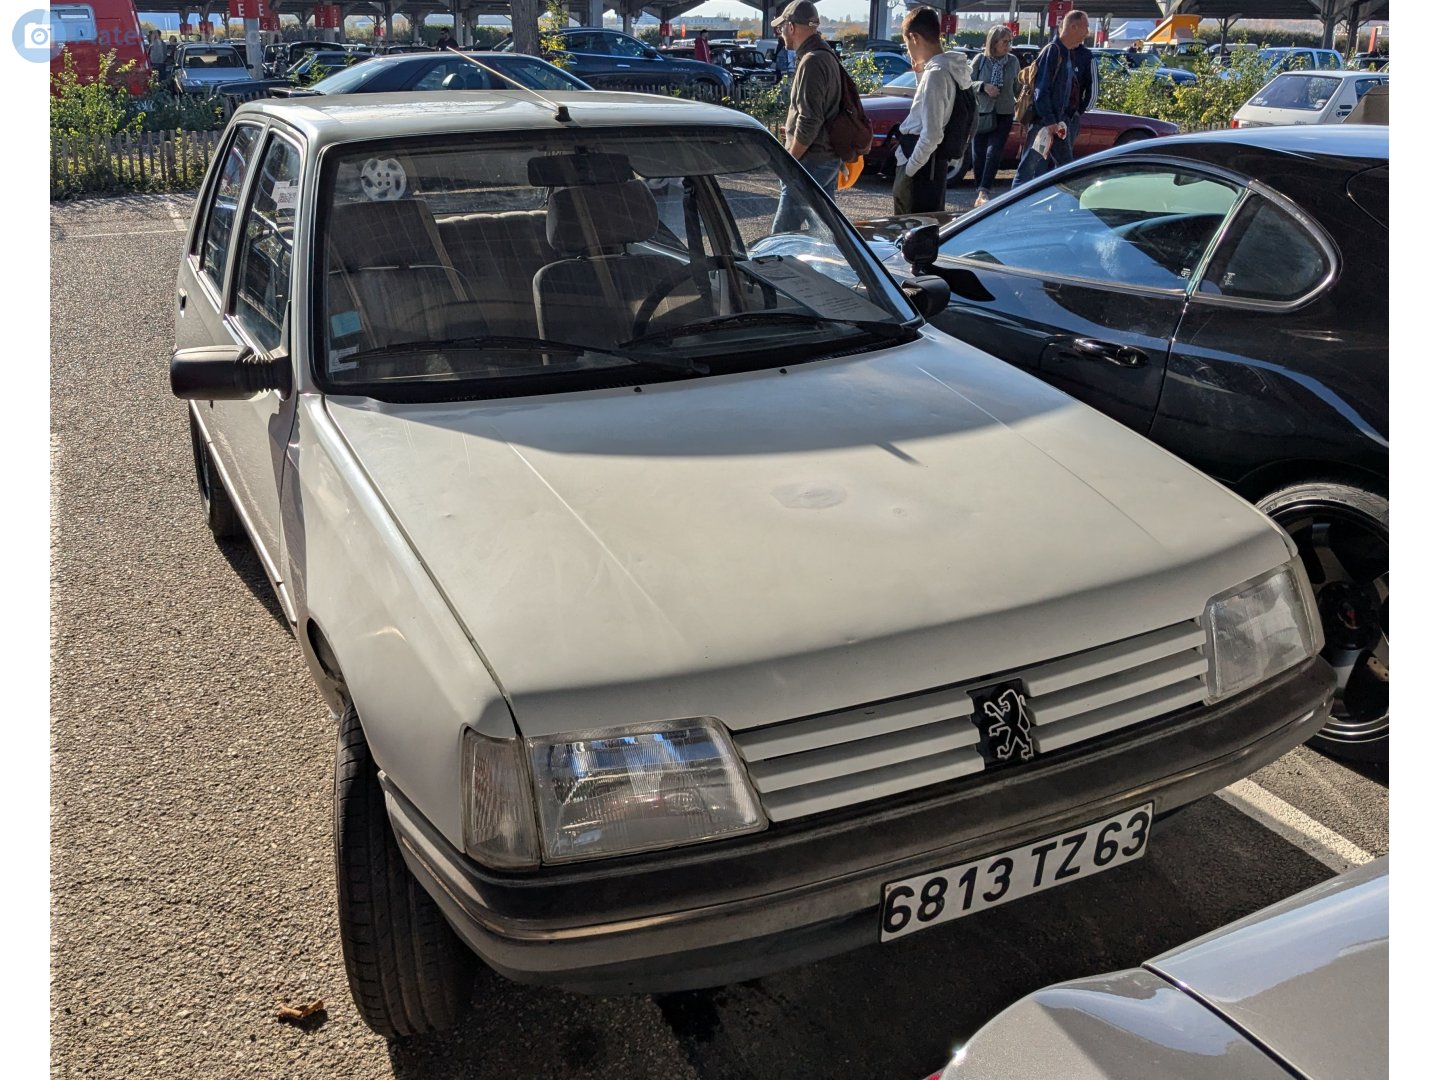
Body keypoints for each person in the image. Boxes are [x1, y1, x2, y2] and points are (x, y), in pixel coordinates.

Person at [770, 1, 844, 232]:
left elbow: (810, 120)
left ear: (791, 27)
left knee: (780, 236)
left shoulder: (812, 60)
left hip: (811, 160)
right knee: (826, 231)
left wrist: (789, 160)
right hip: (825, 157)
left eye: (781, 27)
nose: (781, 33)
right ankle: (837, 265)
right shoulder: (825, 54)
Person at [891, 7, 972, 215]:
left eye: (907, 43)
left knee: (909, 230)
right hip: (935, 167)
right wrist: (919, 74)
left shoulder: (936, 74)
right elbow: (930, 108)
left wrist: (909, 171)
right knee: (928, 227)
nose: (908, 50)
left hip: (922, 168)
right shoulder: (951, 68)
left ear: (915, 37)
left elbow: (932, 133)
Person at [1012, 9, 1093, 188]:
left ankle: (1067, 207)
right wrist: (1049, 121)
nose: (1088, 32)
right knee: (1027, 169)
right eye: (1085, 27)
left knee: (1066, 170)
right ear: (1073, 26)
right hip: (1045, 123)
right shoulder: (1053, 51)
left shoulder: (1067, 52)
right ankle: (1009, 211)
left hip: (1057, 123)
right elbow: (1041, 89)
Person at [968, 24, 1021, 206]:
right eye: (1004, 42)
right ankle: (979, 190)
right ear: (994, 42)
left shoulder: (1013, 61)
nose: (1008, 45)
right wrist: (983, 86)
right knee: (979, 154)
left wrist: (1025, 95)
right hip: (982, 112)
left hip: (1004, 112)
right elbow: (966, 83)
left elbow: (1017, 86)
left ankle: (984, 190)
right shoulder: (980, 60)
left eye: (1010, 42)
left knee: (994, 151)